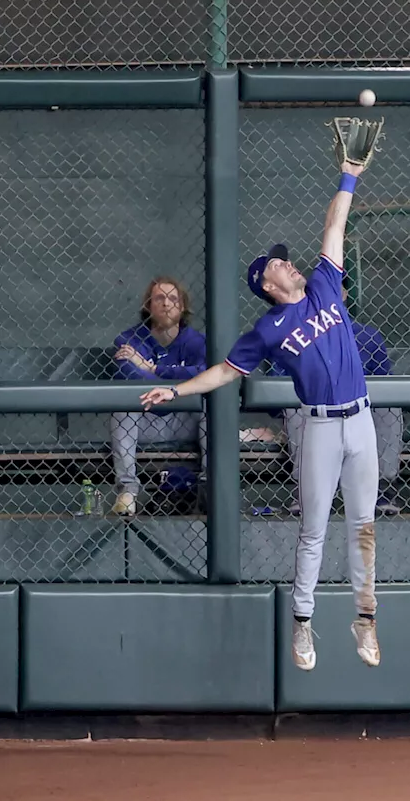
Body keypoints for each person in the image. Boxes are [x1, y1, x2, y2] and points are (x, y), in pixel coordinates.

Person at [139, 156, 380, 672]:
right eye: (277, 263)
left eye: (285, 259)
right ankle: (303, 623)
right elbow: (227, 372)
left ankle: (365, 619)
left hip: (361, 419)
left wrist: (349, 175)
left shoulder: (323, 285)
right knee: (313, 528)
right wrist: (175, 391)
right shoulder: (269, 330)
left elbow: (335, 222)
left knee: (362, 524)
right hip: (318, 425)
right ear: (266, 284)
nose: (287, 262)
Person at [275, 276, 403, 517]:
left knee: (389, 407)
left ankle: (382, 489)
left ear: (343, 295)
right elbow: (275, 392)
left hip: (360, 416)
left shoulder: (368, 336)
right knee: (293, 405)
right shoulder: (292, 336)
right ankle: (305, 489)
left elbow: (389, 387)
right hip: (314, 414)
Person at [109, 276, 208, 517]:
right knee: (122, 406)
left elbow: (207, 373)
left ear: (182, 307)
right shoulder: (128, 340)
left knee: (210, 404)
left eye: (173, 299)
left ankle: (209, 484)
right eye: (159, 298)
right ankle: (128, 490)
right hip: (144, 421)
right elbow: (132, 380)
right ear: (148, 306)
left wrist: (152, 369)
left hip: (185, 420)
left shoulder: (197, 342)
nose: (166, 304)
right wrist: (182, 382)